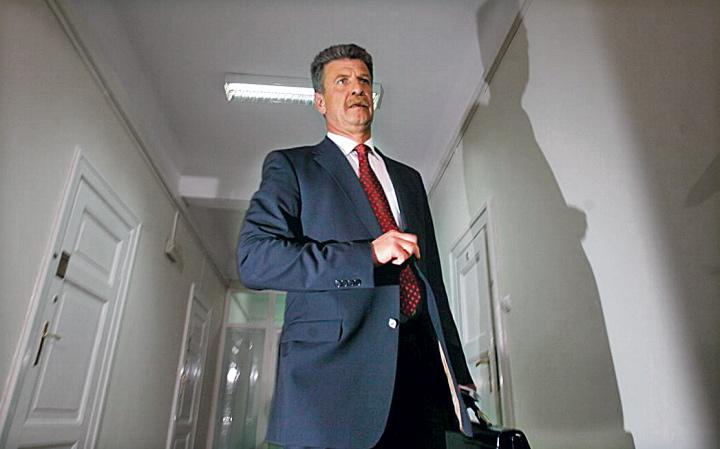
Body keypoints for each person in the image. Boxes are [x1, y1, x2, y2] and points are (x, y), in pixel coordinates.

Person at [237, 43, 475, 449]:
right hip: (332, 381)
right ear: (319, 101)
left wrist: (458, 372)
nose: (357, 88)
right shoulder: (292, 166)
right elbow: (255, 259)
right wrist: (366, 255)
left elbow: (432, 281)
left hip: (419, 378)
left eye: (364, 81)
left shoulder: (409, 179)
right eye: (342, 81)